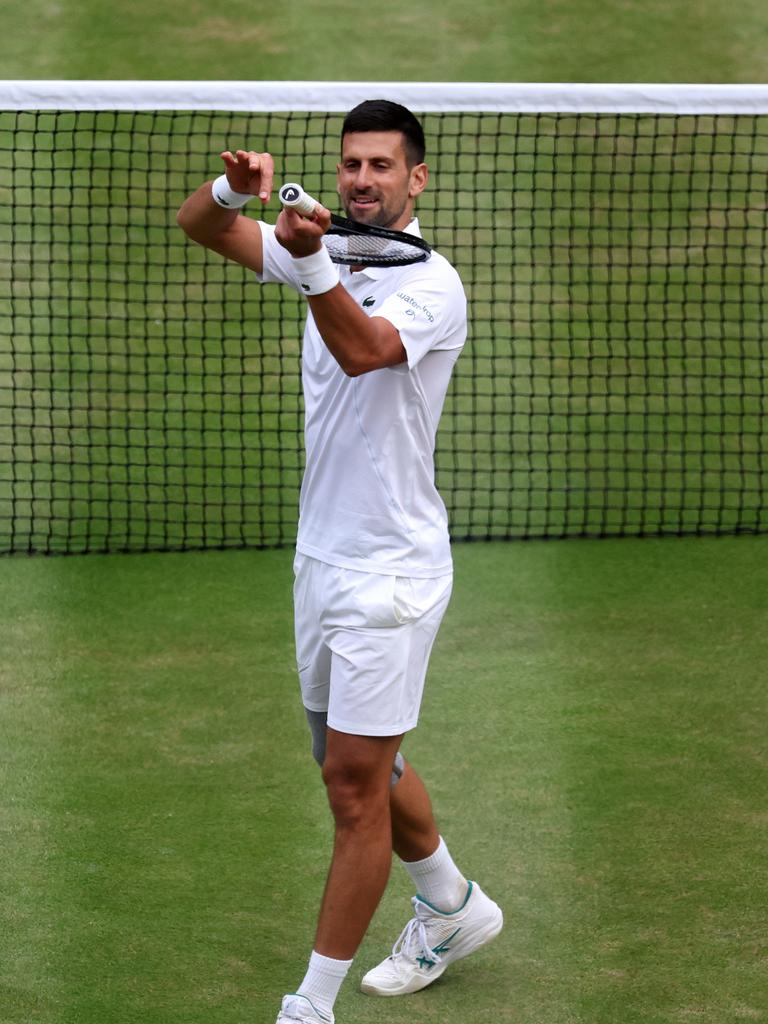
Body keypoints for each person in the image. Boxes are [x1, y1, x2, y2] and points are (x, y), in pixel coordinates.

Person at [177, 99, 503, 1024]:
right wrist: (231, 190)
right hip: (319, 559)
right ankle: (451, 903)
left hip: (391, 574)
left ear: (416, 179)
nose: (362, 180)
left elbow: (362, 352)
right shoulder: (333, 245)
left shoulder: (433, 284)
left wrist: (310, 254)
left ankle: (308, 1007)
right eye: (351, 164)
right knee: (351, 757)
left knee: (354, 789)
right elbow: (202, 227)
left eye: (382, 167)